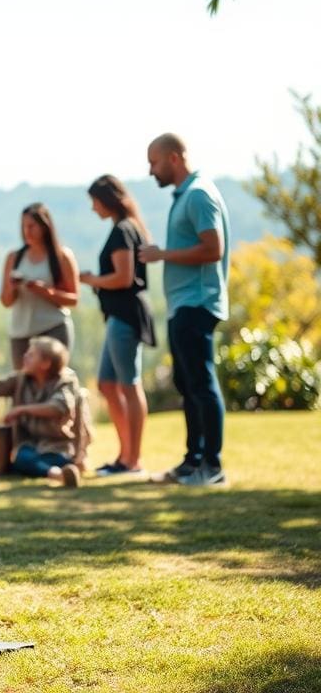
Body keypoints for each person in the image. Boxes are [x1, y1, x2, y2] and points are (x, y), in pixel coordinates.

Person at [139, 133, 230, 486]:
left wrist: (163, 255)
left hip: (198, 301)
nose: (150, 171)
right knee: (187, 383)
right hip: (182, 303)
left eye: (154, 162)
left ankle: (213, 467)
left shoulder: (198, 195)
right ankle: (193, 462)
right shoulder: (186, 195)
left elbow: (212, 250)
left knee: (202, 383)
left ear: (174, 158)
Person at [79, 175, 157, 476]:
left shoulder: (124, 230)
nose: (93, 208)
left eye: (94, 202)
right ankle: (125, 454)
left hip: (126, 316)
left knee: (129, 384)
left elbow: (123, 278)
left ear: (106, 199)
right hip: (117, 316)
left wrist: (91, 281)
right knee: (108, 384)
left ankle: (132, 460)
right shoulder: (124, 228)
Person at [0, 337, 85, 488]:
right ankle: (58, 474)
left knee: (43, 461)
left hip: (58, 447)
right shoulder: (20, 379)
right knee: (23, 457)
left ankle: (56, 470)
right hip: (31, 445)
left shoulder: (65, 381)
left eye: (31, 355)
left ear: (45, 363)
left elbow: (57, 408)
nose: (25, 356)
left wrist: (21, 410)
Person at [0, 203, 79, 369]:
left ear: (45, 226)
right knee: (22, 386)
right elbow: (6, 301)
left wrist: (44, 291)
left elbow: (74, 299)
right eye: (23, 226)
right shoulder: (14, 258)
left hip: (53, 329)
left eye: (31, 226)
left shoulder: (62, 257)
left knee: (53, 384)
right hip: (21, 332)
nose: (26, 231)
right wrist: (13, 287)